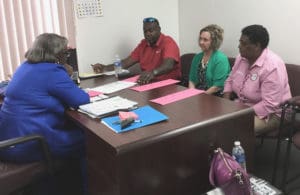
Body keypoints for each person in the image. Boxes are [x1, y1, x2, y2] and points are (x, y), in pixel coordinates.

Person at [0, 33, 90, 194]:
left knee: (75, 130)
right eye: (65, 52)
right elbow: (81, 99)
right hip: (31, 143)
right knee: (90, 140)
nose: (67, 56)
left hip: (8, 141)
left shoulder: (24, 67)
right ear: (56, 55)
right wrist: (67, 75)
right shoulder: (53, 71)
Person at [223, 24, 291, 135]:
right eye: (239, 42)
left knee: (234, 128)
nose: (239, 46)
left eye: (243, 43)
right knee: (214, 121)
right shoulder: (241, 57)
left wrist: (238, 113)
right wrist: (225, 104)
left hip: (273, 113)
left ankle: (235, 152)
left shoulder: (272, 66)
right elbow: (230, 79)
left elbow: (270, 104)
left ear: (257, 46)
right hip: (243, 107)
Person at [92, 17, 181, 85]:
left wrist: (153, 73)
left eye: (151, 30)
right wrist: (105, 68)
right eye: (145, 31)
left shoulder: (168, 42)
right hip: (148, 84)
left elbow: (168, 65)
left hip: (169, 86)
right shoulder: (143, 44)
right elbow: (126, 63)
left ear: (159, 29)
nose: (147, 34)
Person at [188, 24, 230, 95]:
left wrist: (200, 96)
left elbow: (217, 86)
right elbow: (192, 80)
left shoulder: (221, 59)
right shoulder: (197, 57)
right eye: (200, 39)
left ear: (214, 42)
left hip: (214, 96)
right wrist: (191, 94)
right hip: (198, 95)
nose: (201, 42)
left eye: (205, 40)